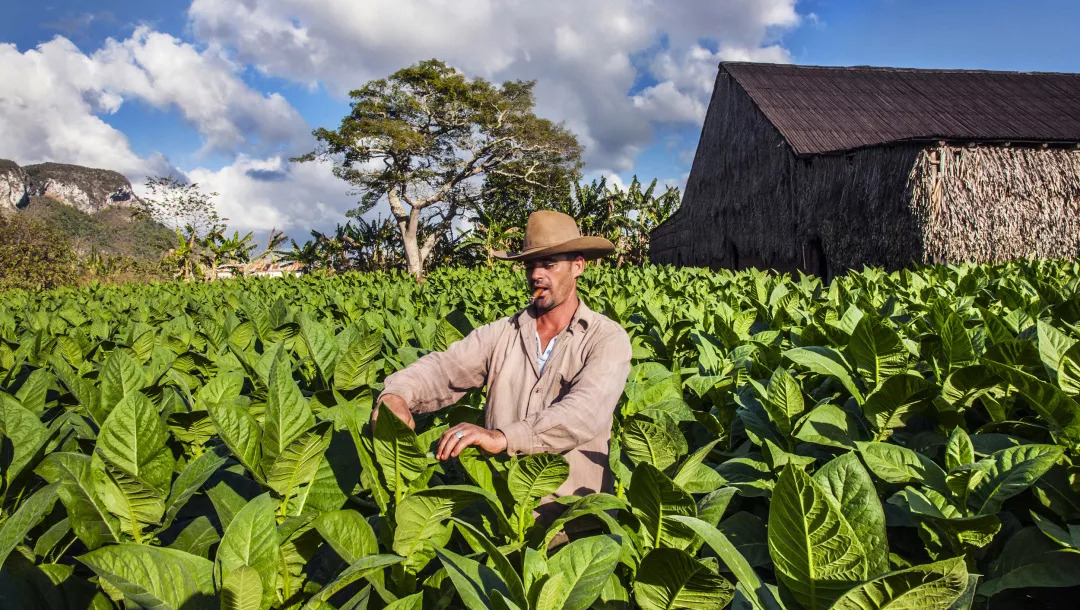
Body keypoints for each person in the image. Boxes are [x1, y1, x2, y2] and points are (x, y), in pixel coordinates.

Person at [374, 210, 632, 520]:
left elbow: (584, 412)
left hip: (574, 523)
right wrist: (396, 396)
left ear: (578, 266)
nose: (537, 275)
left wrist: (503, 437)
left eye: (549, 265)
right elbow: (445, 368)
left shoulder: (606, 338)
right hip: (503, 518)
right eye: (530, 265)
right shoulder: (500, 334)